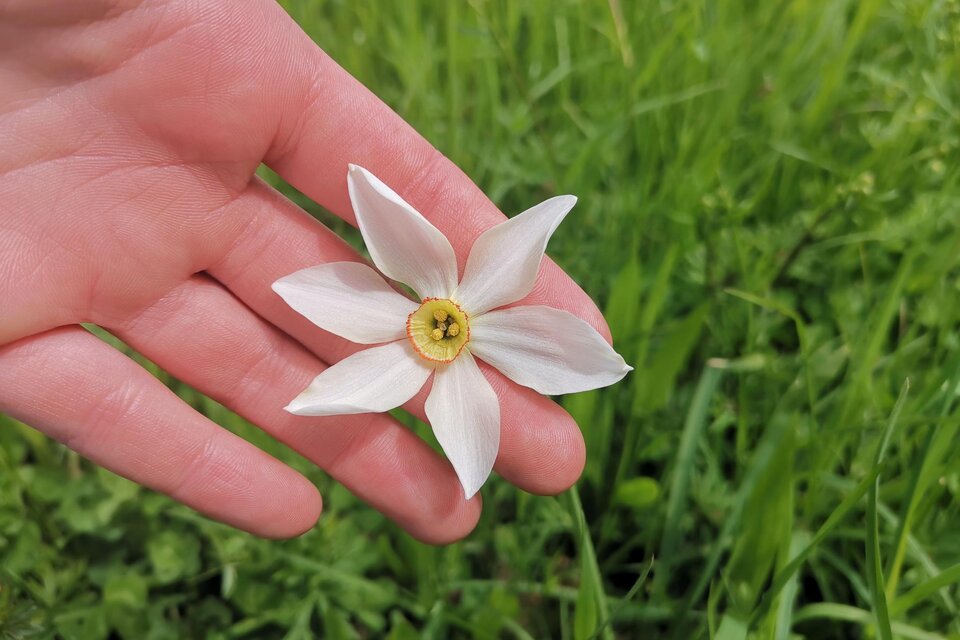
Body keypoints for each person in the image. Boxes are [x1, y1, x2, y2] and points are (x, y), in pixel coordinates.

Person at [0, 0, 610, 544]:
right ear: (440, 317)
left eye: (445, 323)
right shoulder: (427, 314)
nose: (446, 324)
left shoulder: (456, 330)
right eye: (445, 321)